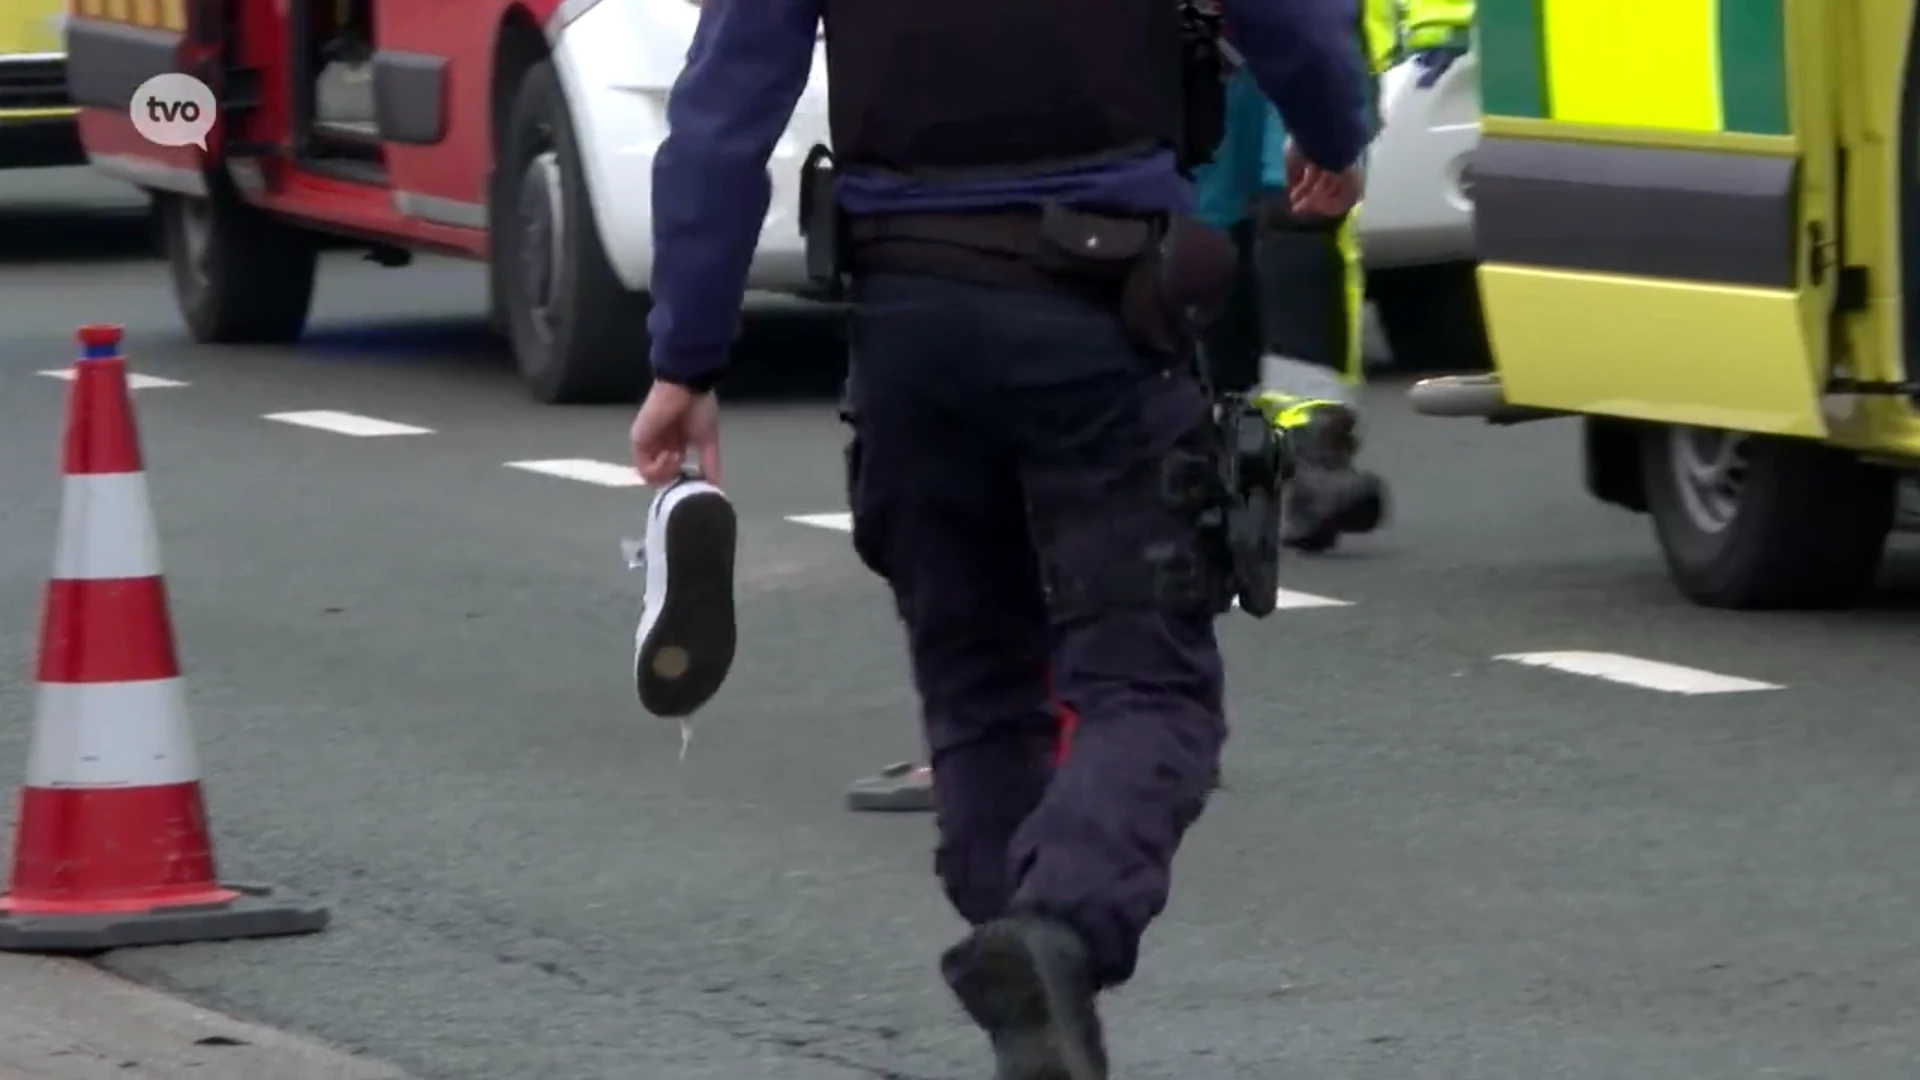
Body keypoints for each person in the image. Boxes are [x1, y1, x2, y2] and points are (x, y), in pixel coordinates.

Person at [628, 0, 1373, 1075]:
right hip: (1102, 309)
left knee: (979, 692)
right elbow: (1291, 21)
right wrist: (1333, 134)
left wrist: (685, 359)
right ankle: (1058, 933)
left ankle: (1038, 1009)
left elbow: (724, 108)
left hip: (909, 327)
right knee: (1148, 688)